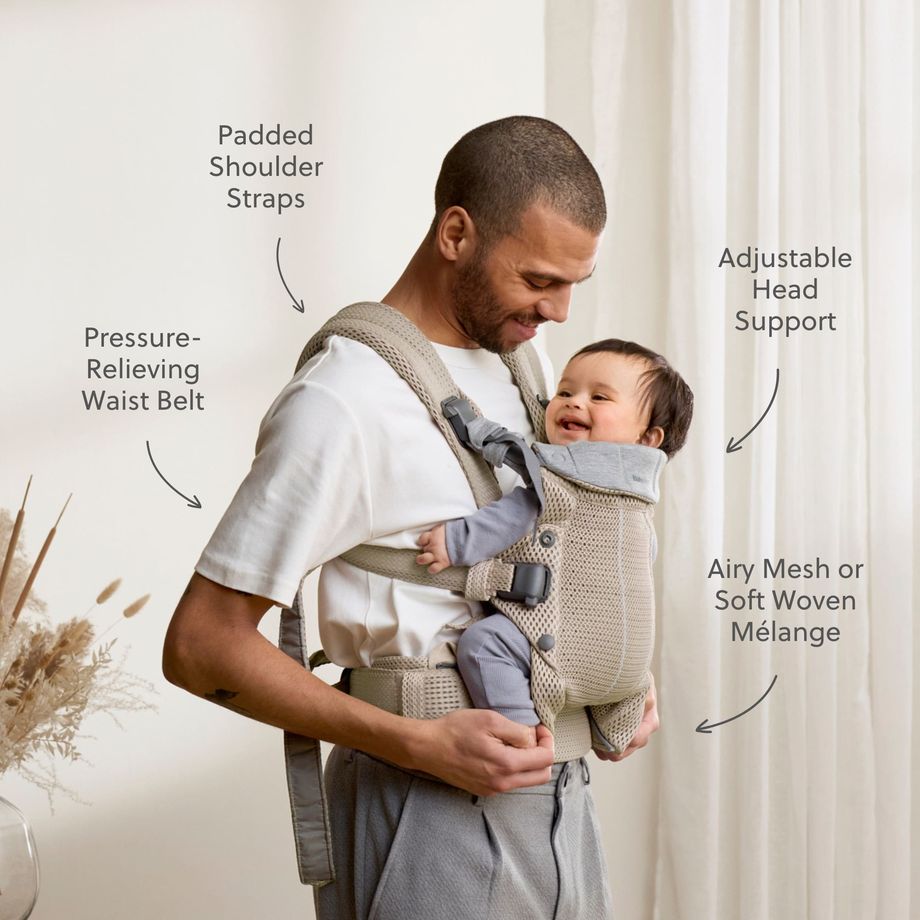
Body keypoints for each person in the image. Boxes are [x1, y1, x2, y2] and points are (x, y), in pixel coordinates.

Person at [162, 116, 659, 920]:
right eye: (539, 279)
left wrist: (613, 662)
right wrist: (414, 742)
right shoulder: (342, 402)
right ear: (456, 233)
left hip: (561, 805)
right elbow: (198, 645)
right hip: (425, 806)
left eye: (574, 284)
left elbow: (560, 552)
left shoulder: (524, 369)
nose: (560, 311)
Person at [415, 338, 693, 738]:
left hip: (562, 645)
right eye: (565, 391)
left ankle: (522, 735)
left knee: (483, 643)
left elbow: (508, 518)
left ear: (649, 437)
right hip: (629, 671)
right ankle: (613, 733)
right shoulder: (641, 503)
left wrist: (455, 542)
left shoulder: (561, 480)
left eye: (599, 397)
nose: (574, 402)